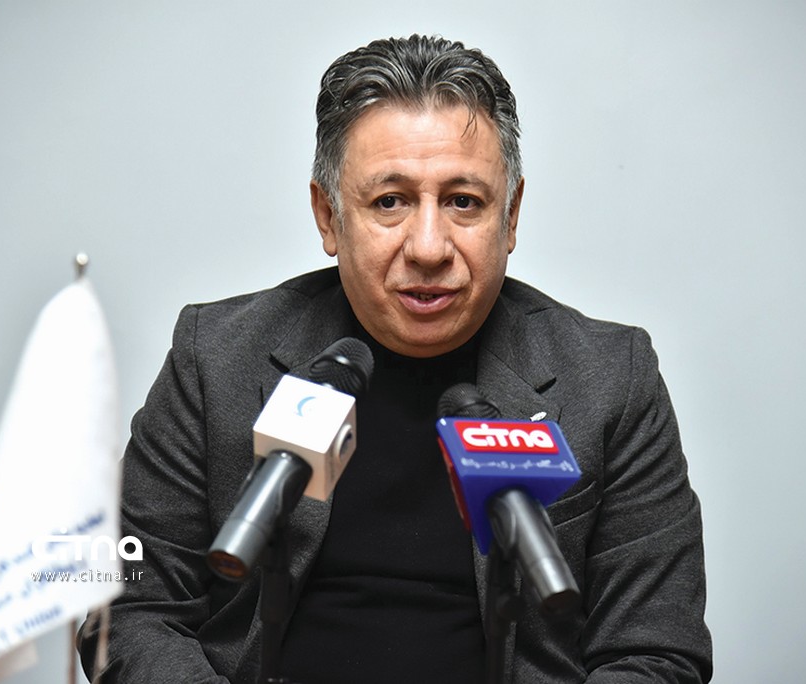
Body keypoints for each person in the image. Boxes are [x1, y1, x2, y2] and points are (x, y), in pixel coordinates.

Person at [78, 34, 712, 683]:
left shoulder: (610, 378)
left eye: (463, 201)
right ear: (328, 216)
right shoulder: (215, 357)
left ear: (511, 215)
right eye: (390, 201)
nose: (429, 247)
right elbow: (126, 608)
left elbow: (656, 651)